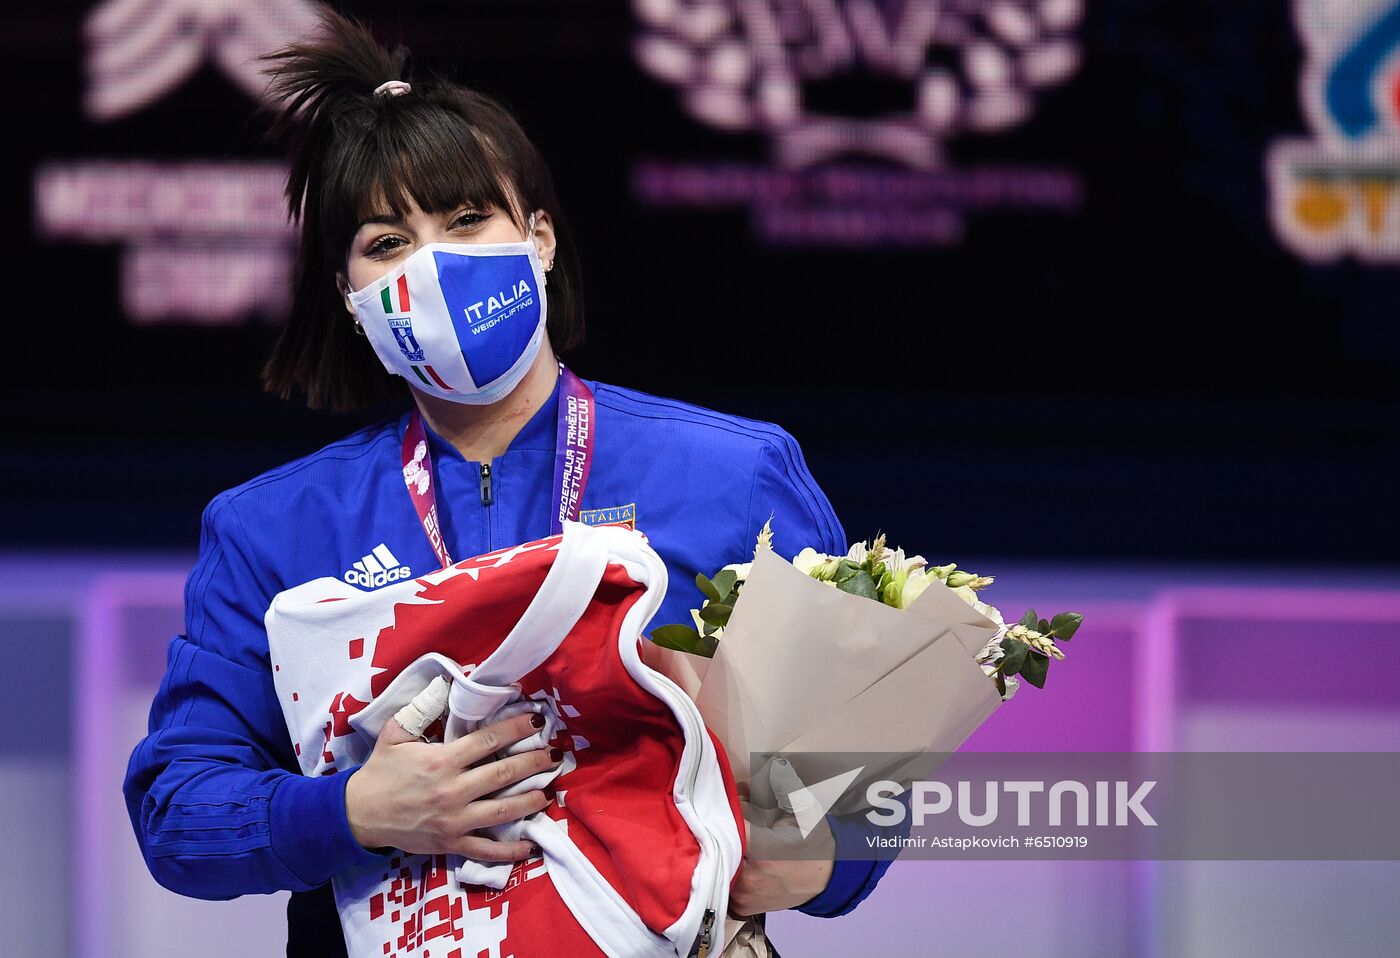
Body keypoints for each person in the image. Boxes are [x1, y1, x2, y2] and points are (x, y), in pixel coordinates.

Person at [122, 10, 896, 955]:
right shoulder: (271, 528)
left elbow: (866, 770)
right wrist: (354, 810)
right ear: (349, 297)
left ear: (539, 239)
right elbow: (177, 813)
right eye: (385, 242)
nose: (433, 265)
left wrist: (822, 858)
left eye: (464, 220)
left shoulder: (732, 477)